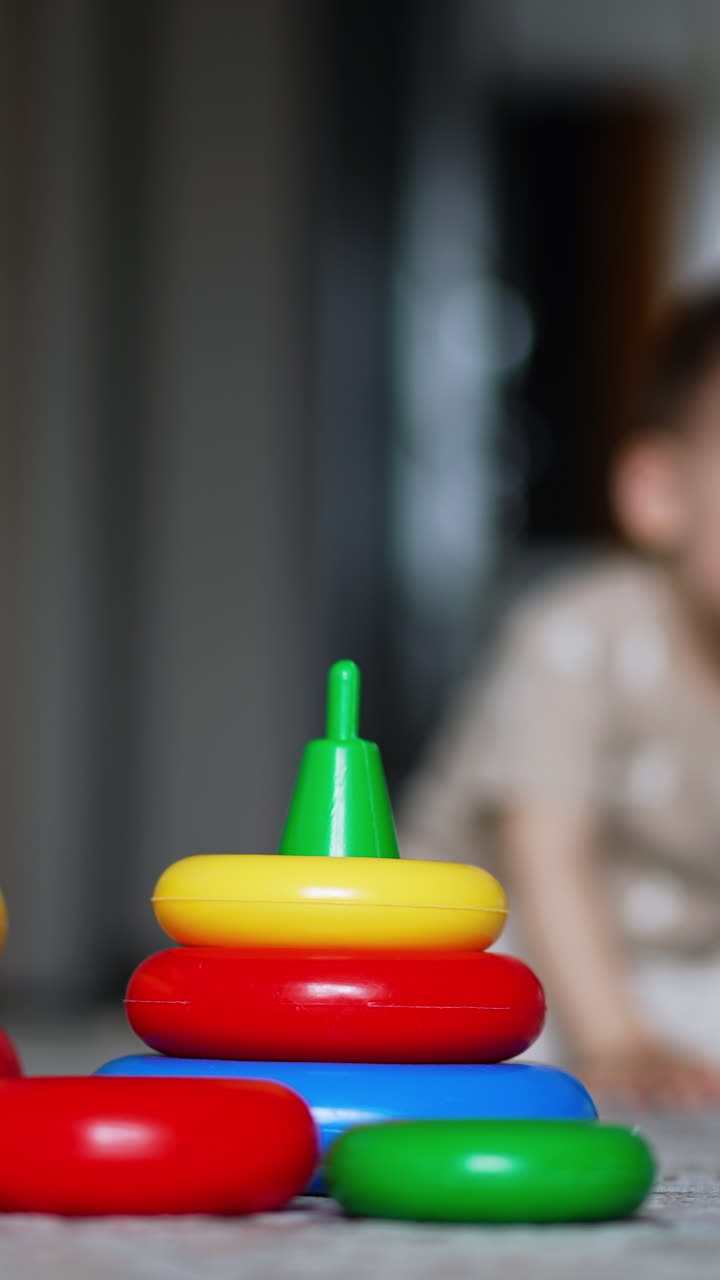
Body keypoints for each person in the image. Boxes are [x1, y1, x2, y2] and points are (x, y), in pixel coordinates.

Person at [398, 287, 720, 1108]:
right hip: (502, 936)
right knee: (456, 1017)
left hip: (661, 959)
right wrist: (619, 1041)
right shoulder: (576, 636)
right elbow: (550, 857)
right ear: (663, 495)